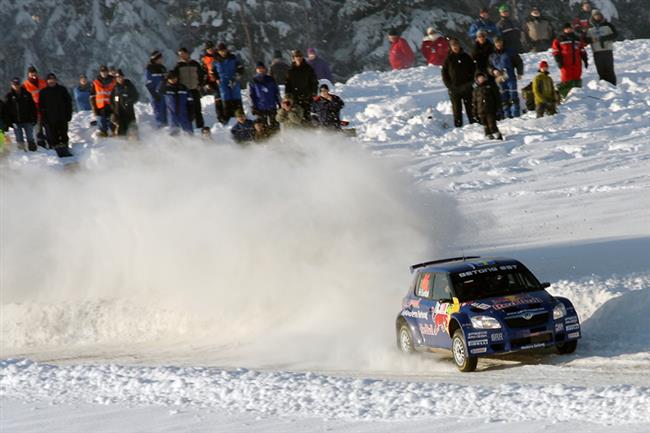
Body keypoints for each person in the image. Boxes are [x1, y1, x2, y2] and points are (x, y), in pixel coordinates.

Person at [442, 38, 476, 127]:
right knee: (457, 109)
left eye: (456, 45)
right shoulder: (448, 59)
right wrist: (449, 86)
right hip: (454, 89)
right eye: (453, 46)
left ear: (459, 45)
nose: (455, 47)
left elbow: (473, 71)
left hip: (467, 87)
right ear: (451, 47)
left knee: (471, 107)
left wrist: (470, 83)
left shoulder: (466, 57)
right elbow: (444, 74)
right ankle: (458, 127)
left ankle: (474, 124)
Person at [488, 36, 524, 118]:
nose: (499, 44)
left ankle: (516, 114)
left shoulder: (510, 52)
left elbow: (518, 62)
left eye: (500, 42)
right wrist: (493, 71)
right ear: (494, 44)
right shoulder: (492, 55)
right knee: (504, 97)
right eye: (497, 43)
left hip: (510, 77)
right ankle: (507, 115)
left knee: (513, 96)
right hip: (499, 79)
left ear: (502, 42)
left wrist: (519, 72)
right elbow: (489, 66)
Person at [39, 73, 73, 157]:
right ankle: (55, 151)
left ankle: (65, 148)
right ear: (47, 81)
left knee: (63, 134)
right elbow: (41, 107)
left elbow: (68, 103)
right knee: (53, 135)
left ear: (56, 80)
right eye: (49, 80)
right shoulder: (43, 92)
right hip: (50, 118)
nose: (51, 81)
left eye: (53, 79)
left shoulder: (62, 90)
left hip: (62, 116)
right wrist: (44, 118)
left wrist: (69, 114)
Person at [552, 24, 588, 98]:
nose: (569, 30)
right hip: (565, 63)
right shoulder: (559, 39)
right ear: (564, 30)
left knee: (577, 78)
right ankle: (563, 96)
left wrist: (585, 59)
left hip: (577, 63)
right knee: (566, 79)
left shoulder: (577, 38)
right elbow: (556, 51)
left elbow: (582, 49)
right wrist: (558, 61)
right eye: (567, 29)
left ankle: (578, 96)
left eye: (570, 28)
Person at [174, 47, 205, 131]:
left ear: (187, 53)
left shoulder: (195, 63)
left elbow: (201, 75)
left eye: (183, 54)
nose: (182, 56)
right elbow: (175, 78)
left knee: (197, 108)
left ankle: (200, 126)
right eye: (180, 55)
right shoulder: (178, 66)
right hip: (185, 91)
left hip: (195, 89)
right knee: (187, 109)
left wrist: (200, 84)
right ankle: (188, 127)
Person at [213, 43, 244, 125]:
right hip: (223, 82)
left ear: (226, 50)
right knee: (225, 98)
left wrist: (236, 77)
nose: (222, 52)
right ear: (218, 51)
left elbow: (241, 68)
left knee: (236, 98)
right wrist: (216, 79)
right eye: (220, 51)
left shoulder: (233, 58)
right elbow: (213, 72)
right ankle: (228, 119)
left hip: (233, 80)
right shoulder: (216, 61)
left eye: (224, 50)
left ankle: (240, 117)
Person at [586, 9, 618, 86]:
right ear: (592, 17)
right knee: (600, 70)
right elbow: (585, 39)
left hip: (607, 50)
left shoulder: (608, 25)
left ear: (601, 16)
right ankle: (603, 86)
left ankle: (613, 85)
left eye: (599, 15)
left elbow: (615, 35)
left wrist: (604, 38)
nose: (597, 17)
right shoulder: (590, 27)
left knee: (609, 69)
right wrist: (591, 39)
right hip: (596, 51)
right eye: (595, 15)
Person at [285, 50, 318, 122]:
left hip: (306, 96)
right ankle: (298, 132)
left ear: (302, 57)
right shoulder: (290, 70)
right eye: (297, 56)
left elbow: (314, 82)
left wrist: (314, 93)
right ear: (293, 58)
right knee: (296, 116)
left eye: (300, 56)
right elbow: (288, 84)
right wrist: (287, 96)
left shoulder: (308, 68)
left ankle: (307, 131)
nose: (298, 58)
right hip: (295, 97)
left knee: (306, 116)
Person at [5, 77, 37, 151]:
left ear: (20, 84)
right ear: (11, 85)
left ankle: (33, 152)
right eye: (14, 85)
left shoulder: (27, 94)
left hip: (28, 120)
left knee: (30, 137)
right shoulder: (9, 96)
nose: (16, 86)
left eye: (17, 84)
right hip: (16, 121)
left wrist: (34, 119)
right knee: (19, 138)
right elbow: (6, 111)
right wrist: (10, 122)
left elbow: (33, 107)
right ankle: (22, 153)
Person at [248, 61, 281, 131]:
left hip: (272, 106)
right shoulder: (253, 81)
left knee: (275, 126)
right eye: (259, 68)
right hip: (260, 108)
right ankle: (266, 141)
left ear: (265, 69)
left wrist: (279, 103)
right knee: (263, 127)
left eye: (262, 68)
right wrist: (253, 106)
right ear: (256, 70)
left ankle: (277, 139)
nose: (261, 70)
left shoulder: (271, 79)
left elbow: (276, 92)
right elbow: (251, 95)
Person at [472, 71, 502, 140]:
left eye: (482, 78)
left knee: (492, 124)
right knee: (485, 125)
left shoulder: (490, 86)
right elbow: (474, 102)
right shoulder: (476, 89)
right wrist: (474, 112)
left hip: (490, 110)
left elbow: (497, 98)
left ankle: (497, 135)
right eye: (479, 78)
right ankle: (488, 135)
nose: (481, 79)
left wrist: (498, 108)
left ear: (485, 78)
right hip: (481, 111)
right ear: (476, 80)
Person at [202, 41, 226, 124]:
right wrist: (206, 82)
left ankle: (227, 114)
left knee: (225, 97)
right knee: (218, 97)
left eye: (211, 48)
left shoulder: (218, 55)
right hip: (212, 81)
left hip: (222, 79)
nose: (210, 50)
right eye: (208, 49)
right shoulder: (205, 59)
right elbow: (204, 71)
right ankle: (220, 116)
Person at [23, 66, 47, 148]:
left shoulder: (43, 82)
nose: (33, 76)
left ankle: (51, 142)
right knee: (38, 127)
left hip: (45, 107)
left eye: (35, 73)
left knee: (48, 125)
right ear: (28, 74)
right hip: (34, 109)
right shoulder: (25, 85)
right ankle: (41, 144)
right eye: (31, 74)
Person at [110, 70, 139, 137]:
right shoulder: (115, 88)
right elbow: (111, 100)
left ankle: (137, 146)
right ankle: (123, 146)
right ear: (116, 79)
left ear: (123, 77)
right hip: (119, 115)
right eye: (118, 77)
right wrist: (114, 111)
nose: (120, 79)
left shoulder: (129, 86)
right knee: (121, 134)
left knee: (133, 131)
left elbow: (136, 96)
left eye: (121, 77)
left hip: (129, 113)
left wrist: (129, 101)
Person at [162, 71, 193, 135]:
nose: (173, 80)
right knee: (174, 132)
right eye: (171, 78)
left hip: (184, 113)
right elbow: (158, 90)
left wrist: (191, 112)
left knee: (189, 131)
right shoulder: (166, 89)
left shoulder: (183, 87)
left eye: (174, 78)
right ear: (168, 79)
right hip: (172, 114)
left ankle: (192, 143)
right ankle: (175, 144)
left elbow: (190, 101)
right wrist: (164, 80)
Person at [91, 65, 116, 137]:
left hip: (111, 105)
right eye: (102, 72)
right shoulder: (96, 82)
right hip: (100, 105)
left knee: (113, 120)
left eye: (105, 72)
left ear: (108, 72)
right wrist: (94, 107)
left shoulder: (113, 81)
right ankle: (103, 132)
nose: (104, 73)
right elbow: (92, 96)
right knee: (101, 119)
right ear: (100, 73)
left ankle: (114, 131)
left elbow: (117, 93)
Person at [145, 50, 168, 128]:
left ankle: (167, 132)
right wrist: (154, 94)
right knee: (159, 114)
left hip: (164, 94)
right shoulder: (150, 68)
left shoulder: (163, 68)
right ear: (156, 59)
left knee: (166, 114)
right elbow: (149, 83)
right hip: (156, 95)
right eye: (160, 58)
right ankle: (161, 133)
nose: (162, 59)